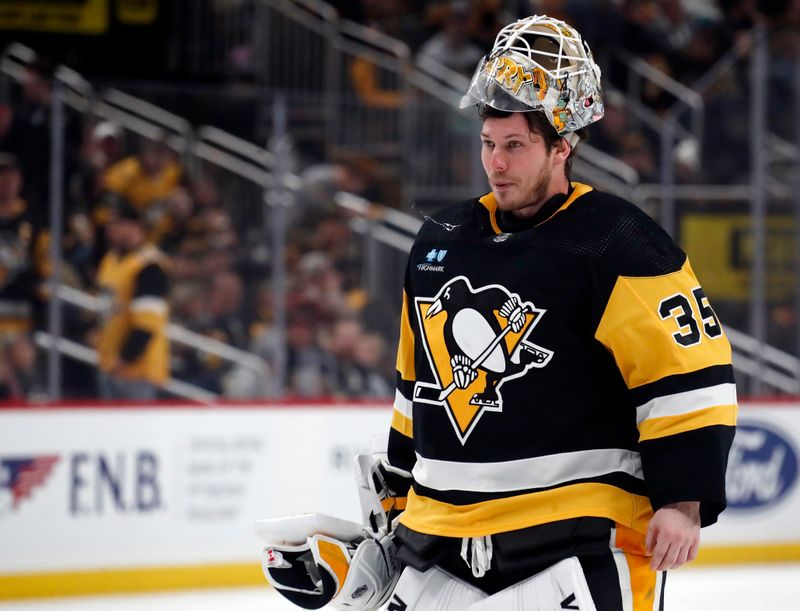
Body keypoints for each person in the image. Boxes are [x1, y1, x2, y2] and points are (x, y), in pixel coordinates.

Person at [257, 15, 737, 611]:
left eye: (515, 145)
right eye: (488, 143)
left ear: (562, 145)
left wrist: (682, 500)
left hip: (576, 537)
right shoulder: (442, 240)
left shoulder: (618, 241)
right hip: (440, 544)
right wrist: (396, 510)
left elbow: (690, 379)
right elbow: (418, 388)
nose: (496, 164)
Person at [95, 201, 170, 400]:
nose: (110, 231)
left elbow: (147, 325)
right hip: (110, 364)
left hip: (137, 372)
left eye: (116, 225)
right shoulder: (109, 260)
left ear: (134, 226)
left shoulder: (148, 266)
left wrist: (124, 359)